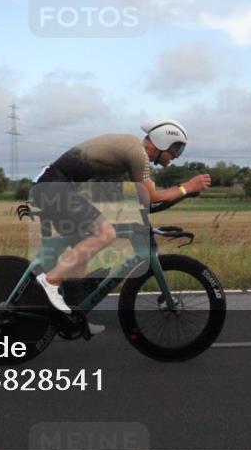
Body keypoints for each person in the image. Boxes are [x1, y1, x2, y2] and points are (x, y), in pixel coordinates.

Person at [29, 119, 211, 333]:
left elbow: (148, 204)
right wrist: (186, 188)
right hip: (54, 186)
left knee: (82, 247)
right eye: (175, 150)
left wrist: (184, 194)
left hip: (55, 185)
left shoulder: (135, 154)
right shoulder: (137, 153)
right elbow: (151, 198)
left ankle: (73, 315)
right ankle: (50, 282)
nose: (174, 158)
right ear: (164, 141)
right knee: (105, 233)